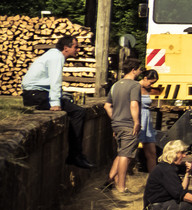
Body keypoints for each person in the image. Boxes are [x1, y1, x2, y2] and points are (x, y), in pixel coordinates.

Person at [21, 35, 95, 169]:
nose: (78, 50)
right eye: (75, 47)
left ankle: (76, 154)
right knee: (79, 112)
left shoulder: (53, 54)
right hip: (36, 95)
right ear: (66, 48)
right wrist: (55, 102)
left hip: (34, 94)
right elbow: (55, 80)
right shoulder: (57, 57)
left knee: (72, 105)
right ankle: (75, 155)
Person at [104, 63, 144, 195]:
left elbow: (107, 106)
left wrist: (115, 118)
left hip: (117, 124)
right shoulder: (134, 85)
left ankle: (110, 180)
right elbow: (134, 104)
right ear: (133, 70)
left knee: (121, 152)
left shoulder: (115, 85)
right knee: (125, 156)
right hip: (128, 124)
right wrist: (137, 122)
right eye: (139, 70)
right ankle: (121, 187)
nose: (140, 72)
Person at [137, 69, 161, 172]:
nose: (151, 85)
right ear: (145, 78)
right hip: (139, 119)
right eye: (151, 83)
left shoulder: (147, 89)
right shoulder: (135, 87)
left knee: (152, 153)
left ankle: (153, 179)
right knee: (129, 153)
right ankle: (111, 179)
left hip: (147, 122)